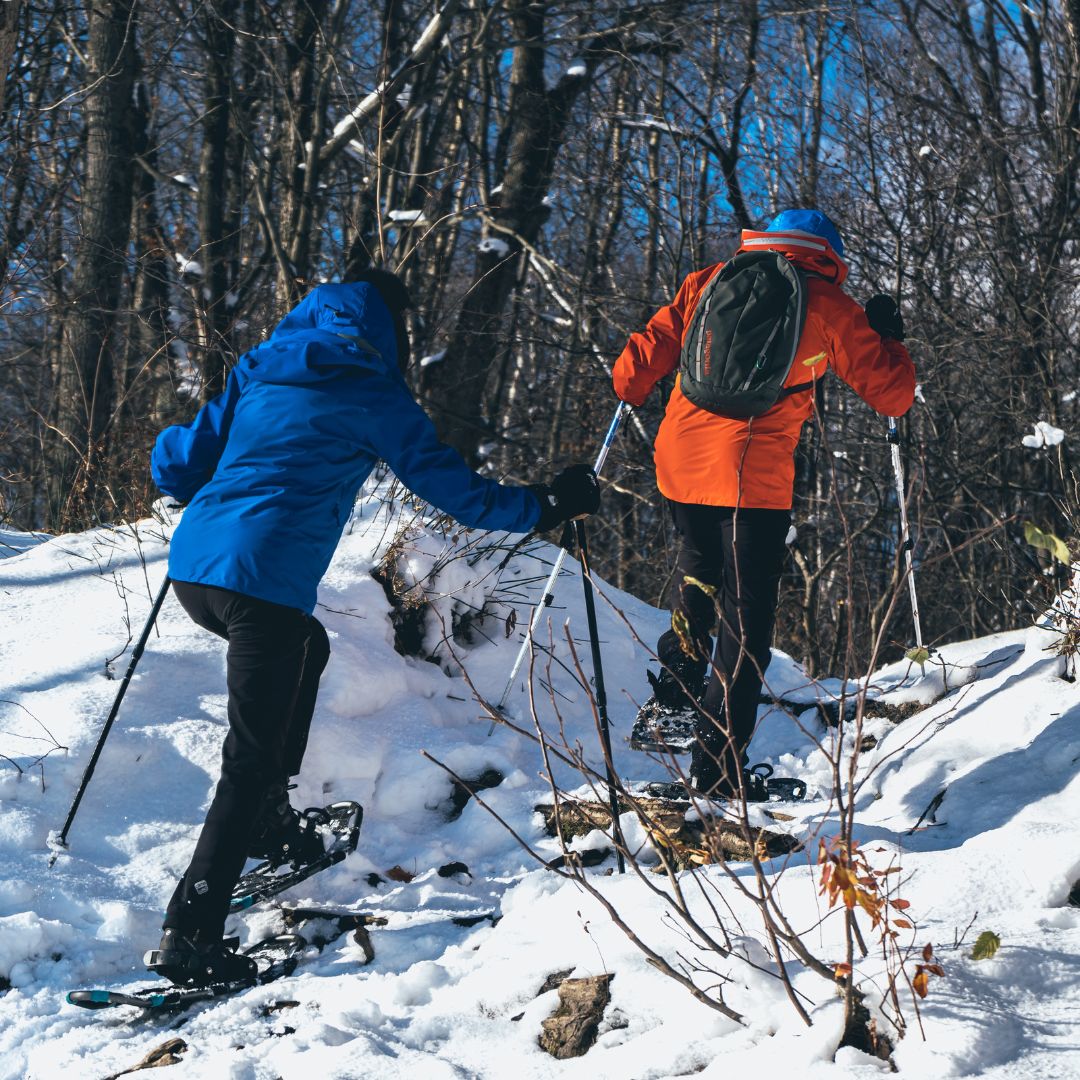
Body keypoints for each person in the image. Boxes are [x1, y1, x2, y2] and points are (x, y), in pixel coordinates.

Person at [148, 270, 599, 985]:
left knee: (309, 644)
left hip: (195, 573)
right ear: (388, 330)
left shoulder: (262, 369)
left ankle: (269, 822)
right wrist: (545, 504)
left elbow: (179, 462)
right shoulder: (373, 393)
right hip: (260, 585)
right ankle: (190, 933)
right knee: (250, 754)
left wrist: (186, 469)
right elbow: (456, 491)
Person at [613, 209, 915, 800]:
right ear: (827, 253)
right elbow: (894, 396)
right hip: (751, 476)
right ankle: (717, 768)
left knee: (700, 572)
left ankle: (676, 688)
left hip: (678, 460)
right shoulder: (828, 304)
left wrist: (636, 385)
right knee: (746, 623)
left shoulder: (707, 280)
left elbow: (631, 375)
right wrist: (890, 339)